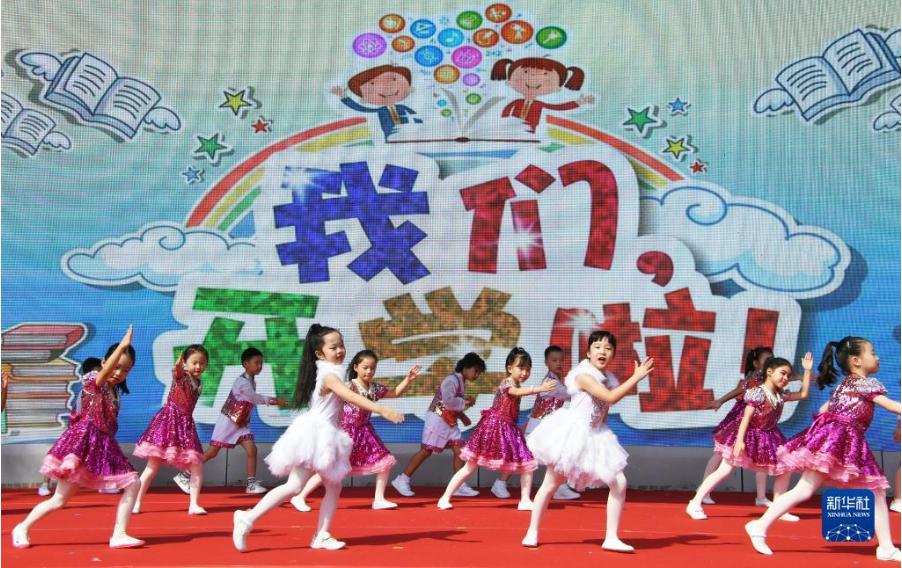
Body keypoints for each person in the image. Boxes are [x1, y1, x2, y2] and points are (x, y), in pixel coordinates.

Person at [232, 325, 404, 552]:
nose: (340, 350)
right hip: (315, 436)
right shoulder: (329, 375)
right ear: (319, 353)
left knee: (334, 487)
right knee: (294, 486)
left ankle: (321, 535)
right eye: (334, 347)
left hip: (329, 435)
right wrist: (382, 410)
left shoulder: (333, 372)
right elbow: (351, 396)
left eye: (341, 345)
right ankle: (247, 518)